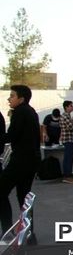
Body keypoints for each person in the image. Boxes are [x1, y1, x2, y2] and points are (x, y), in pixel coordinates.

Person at [0, 85, 41, 234]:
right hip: (31, 161)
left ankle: (6, 230)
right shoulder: (31, 112)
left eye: (12, 96)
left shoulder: (19, 112)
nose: (9, 99)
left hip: (21, 161)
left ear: (21, 99)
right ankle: (29, 234)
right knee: (24, 199)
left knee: (1, 192)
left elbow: (11, 136)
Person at [59, 100, 73, 184]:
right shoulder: (65, 116)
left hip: (69, 139)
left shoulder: (68, 116)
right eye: (71, 106)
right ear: (66, 107)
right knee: (68, 158)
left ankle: (69, 174)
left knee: (70, 157)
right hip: (67, 139)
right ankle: (67, 176)